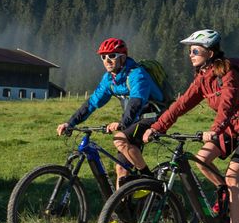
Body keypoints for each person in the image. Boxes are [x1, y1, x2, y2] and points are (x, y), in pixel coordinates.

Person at [147, 29, 239, 223]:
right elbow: (180, 105)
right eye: (189, 51)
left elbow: (227, 105)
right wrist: (157, 127)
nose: (190, 54)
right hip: (229, 130)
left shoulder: (227, 73)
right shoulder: (202, 78)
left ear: (209, 52)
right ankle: (224, 193)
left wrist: (214, 130)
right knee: (201, 160)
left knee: (232, 178)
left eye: (195, 50)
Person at [57, 37, 165, 188]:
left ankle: (150, 179)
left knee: (119, 139)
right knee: (121, 169)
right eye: (103, 57)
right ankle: (121, 209)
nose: (107, 60)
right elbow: (92, 103)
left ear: (123, 57)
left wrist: (122, 124)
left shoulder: (137, 74)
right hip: (134, 120)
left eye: (112, 56)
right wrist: (70, 122)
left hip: (153, 117)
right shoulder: (110, 80)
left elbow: (136, 102)